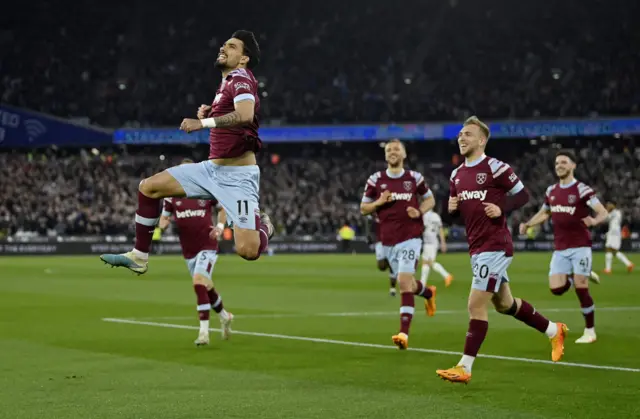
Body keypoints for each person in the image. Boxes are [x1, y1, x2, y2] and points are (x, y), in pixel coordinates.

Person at [99, 30, 273, 274]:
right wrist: (212, 111)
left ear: (244, 58)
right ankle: (139, 256)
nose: (223, 48)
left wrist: (202, 123)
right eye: (223, 44)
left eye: (232, 46)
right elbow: (233, 117)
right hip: (211, 169)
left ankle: (264, 225)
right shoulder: (227, 83)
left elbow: (245, 115)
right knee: (149, 187)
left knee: (248, 251)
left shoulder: (241, 77)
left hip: (238, 177)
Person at [437, 117, 567, 384]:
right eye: (460, 134)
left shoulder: (496, 167)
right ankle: (554, 331)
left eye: (468, 135)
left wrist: (502, 208)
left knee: (475, 304)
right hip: (477, 247)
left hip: (495, 245)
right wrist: (450, 211)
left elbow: (523, 195)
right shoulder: (456, 175)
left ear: (482, 140)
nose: (462, 138)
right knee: (505, 305)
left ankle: (465, 366)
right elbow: (460, 217)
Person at [520, 150, 609, 344]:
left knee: (581, 288)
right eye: (557, 163)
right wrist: (528, 224)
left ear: (573, 166)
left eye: (564, 162)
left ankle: (590, 331)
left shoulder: (582, 190)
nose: (559, 165)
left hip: (580, 246)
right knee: (556, 289)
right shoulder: (551, 191)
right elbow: (545, 213)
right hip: (560, 247)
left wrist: (593, 222)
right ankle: (578, 274)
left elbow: (603, 212)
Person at [360, 139, 437, 350]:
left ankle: (403, 333)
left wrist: (420, 211)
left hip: (411, 237)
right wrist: (379, 202)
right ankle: (428, 292)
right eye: (388, 150)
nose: (392, 152)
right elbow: (364, 208)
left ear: (404, 155)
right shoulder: (376, 180)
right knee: (409, 284)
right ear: (385, 156)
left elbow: (430, 200)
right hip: (387, 241)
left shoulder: (414, 178)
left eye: (396, 149)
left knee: (403, 283)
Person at [157, 161, 233, 345]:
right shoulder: (171, 195)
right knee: (206, 285)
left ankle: (203, 333)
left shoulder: (206, 189)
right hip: (189, 250)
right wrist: (162, 225)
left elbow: (222, 209)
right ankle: (224, 316)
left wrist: (220, 226)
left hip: (208, 244)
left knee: (198, 280)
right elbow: (164, 218)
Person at [419, 209, 454, 287]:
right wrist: (443, 242)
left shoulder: (424, 216)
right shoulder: (436, 216)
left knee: (430, 262)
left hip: (429, 242)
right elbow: (440, 230)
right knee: (425, 262)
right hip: (433, 241)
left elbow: (422, 228)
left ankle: (447, 275)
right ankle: (423, 283)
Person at [366, 215, 398, 296]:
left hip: (392, 241)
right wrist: (369, 236)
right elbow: (370, 225)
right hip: (380, 242)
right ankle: (389, 262)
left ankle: (392, 288)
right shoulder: (375, 214)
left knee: (392, 265)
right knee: (381, 267)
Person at [603, 201, 634, 274]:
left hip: (613, 233)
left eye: (609, 204)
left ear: (613, 205)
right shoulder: (614, 213)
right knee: (613, 251)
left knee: (608, 249)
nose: (608, 205)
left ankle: (608, 269)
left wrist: (606, 210)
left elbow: (607, 215)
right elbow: (606, 219)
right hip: (614, 233)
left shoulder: (616, 212)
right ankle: (629, 264)